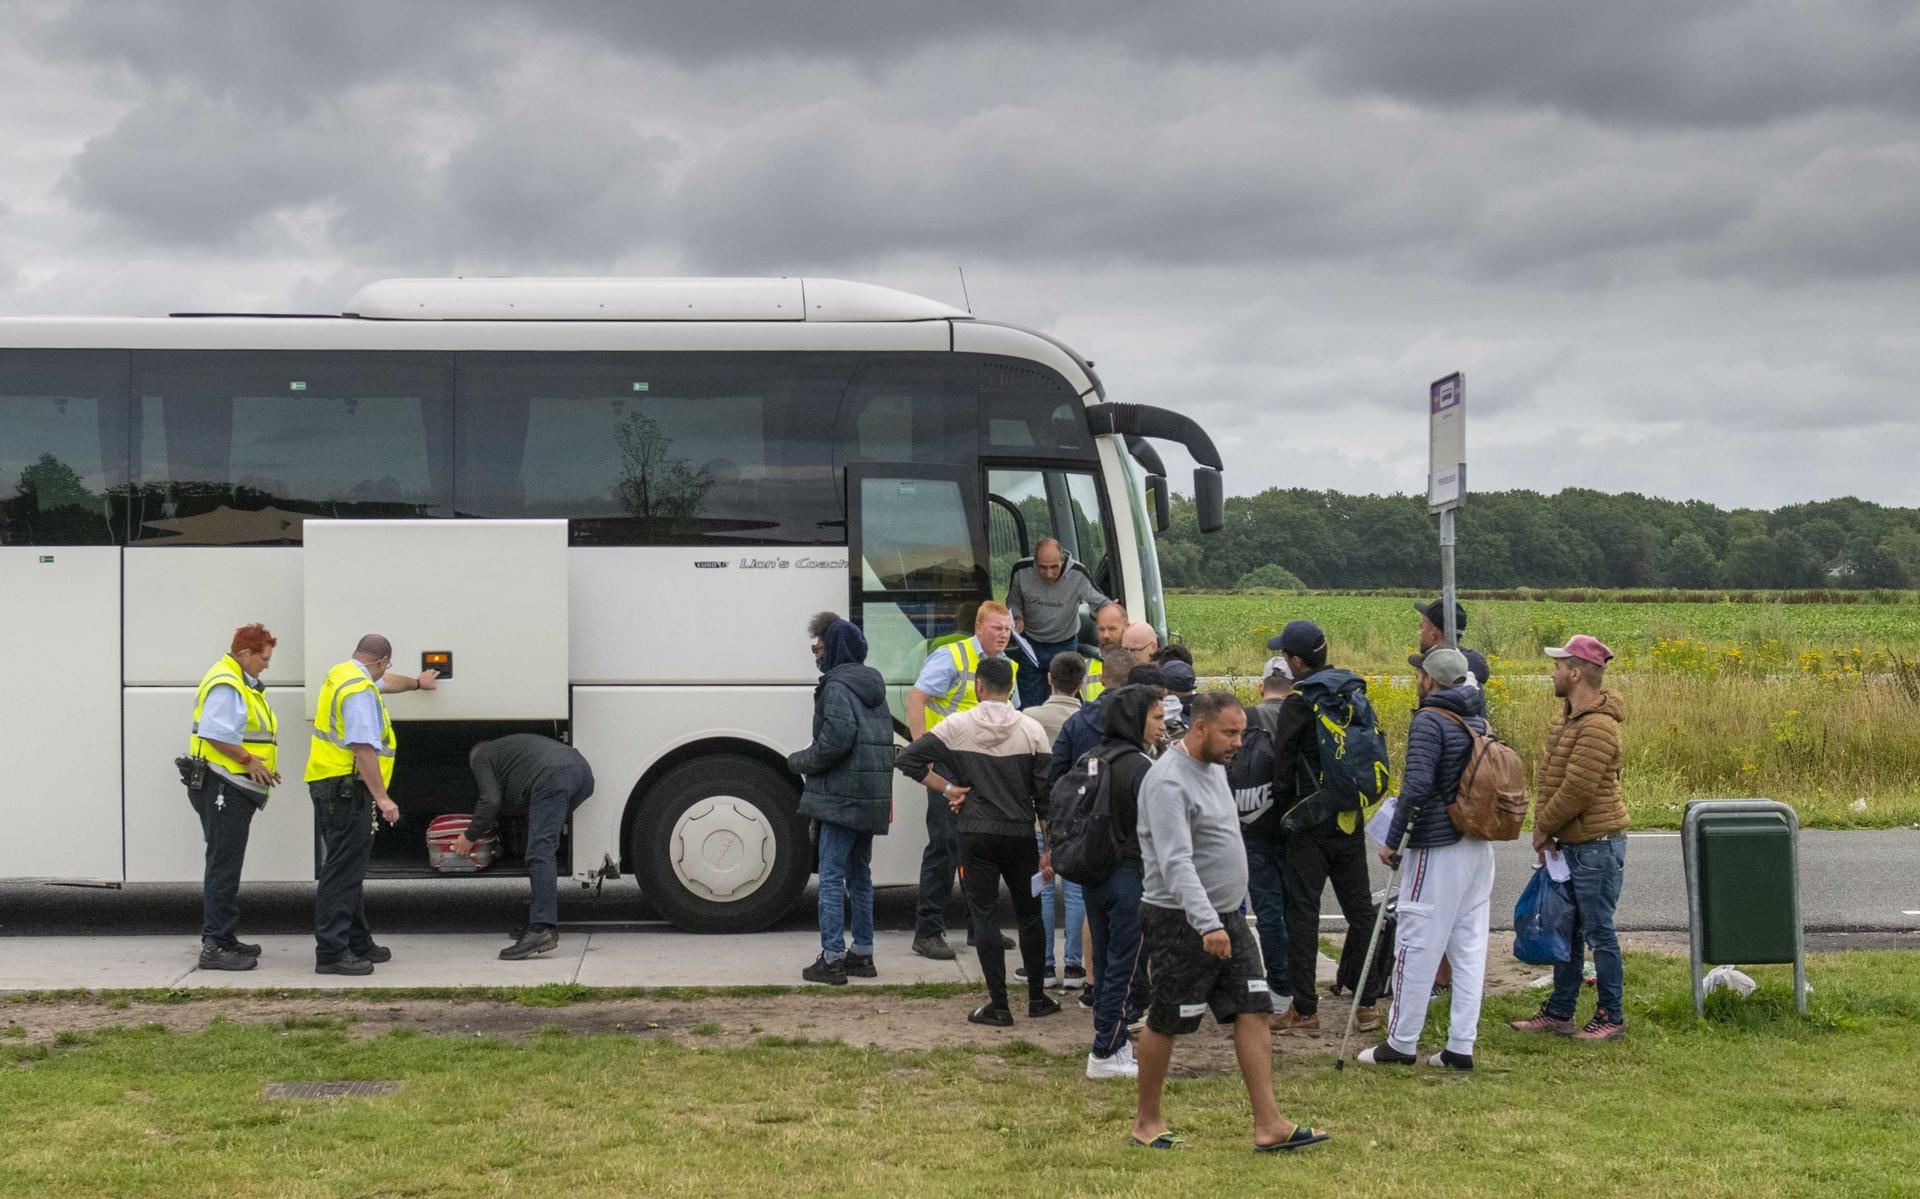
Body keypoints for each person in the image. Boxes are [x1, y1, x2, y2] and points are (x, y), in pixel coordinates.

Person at [1130, 691, 1328, 1153]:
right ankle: (1146, 1122)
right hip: (1182, 919)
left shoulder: (1216, 768)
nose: (1239, 742)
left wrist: (1224, 917)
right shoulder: (1167, 783)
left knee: (1254, 1006)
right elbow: (1175, 862)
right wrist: (1206, 924)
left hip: (1227, 917)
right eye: (1230, 732)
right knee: (1169, 1018)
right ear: (1199, 728)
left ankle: (1269, 1124)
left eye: (1241, 732)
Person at [895, 657, 1060, 1026]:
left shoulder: (957, 725)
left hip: (975, 834)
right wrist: (1048, 847)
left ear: (978, 687)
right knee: (1029, 916)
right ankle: (1036, 997)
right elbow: (1045, 797)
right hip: (1020, 835)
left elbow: (909, 761)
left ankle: (998, 1005)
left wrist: (950, 788)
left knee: (984, 916)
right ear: (1011, 689)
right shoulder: (1031, 730)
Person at [1356, 647, 1495, 1070]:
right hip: (1477, 843)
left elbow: (1416, 788)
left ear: (1431, 681)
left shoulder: (1430, 720)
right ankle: (1460, 1046)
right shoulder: (1479, 718)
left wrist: (1394, 840)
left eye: (1421, 674)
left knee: (1415, 942)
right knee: (1469, 946)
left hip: (1437, 844)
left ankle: (1400, 1043)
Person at [1266, 620, 1386, 1036]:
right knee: (1360, 910)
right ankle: (1368, 1003)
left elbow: (1283, 768)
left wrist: (1285, 817)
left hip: (1309, 821)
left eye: (1286, 656)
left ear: (1298, 661)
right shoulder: (1351, 689)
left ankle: (1305, 1010)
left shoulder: (1300, 702)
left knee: (1302, 913)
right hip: (1349, 817)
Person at [1512, 635, 1630, 1041]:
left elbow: (1577, 790)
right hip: (1574, 842)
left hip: (1597, 844)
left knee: (1599, 932)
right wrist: (1550, 833)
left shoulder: (1598, 726)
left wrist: (1543, 827)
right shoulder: (1567, 719)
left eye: (1559, 666)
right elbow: (1553, 780)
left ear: (1576, 673)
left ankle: (1610, 1016)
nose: (1553, 672)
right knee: (1568, 930)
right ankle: (1561, 1013)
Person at [305, 633, 437, 975]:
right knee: (342, 874)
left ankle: (358, 941)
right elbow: (363, 748)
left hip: (328, 784)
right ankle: (332, 952)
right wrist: (383, 798)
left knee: (348, 870)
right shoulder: (360, 692)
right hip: (346, 790)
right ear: (381, 661)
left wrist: (416, 684)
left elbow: (386, 682)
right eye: (385, 667)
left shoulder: (344, 675)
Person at [907, 601, 1021, 960]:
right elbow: (916, 700)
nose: (1004, 635)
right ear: (978, 627)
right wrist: (924, 753)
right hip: (950, 766)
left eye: (1008, 629)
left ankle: (980, 928)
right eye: (997, 628)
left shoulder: (1007, 667)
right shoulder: (951, 657)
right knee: (945, 847)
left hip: (984, 768)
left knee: (980, 849)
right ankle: (928, 932)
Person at [788, 613, 893, 985]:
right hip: (869, 798)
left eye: (818, 648)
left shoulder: (835, 687)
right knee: (860, 877)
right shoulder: (873, 687)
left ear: (832, 649)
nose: (816, 655)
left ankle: (831, 958)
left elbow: (834, 743)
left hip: (840, 798)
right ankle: (862, 953)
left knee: (831, 877)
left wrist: (797, 761)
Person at [184, 623, 282, 972]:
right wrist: (248, 760)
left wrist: (261, 765)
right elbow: (215, 733)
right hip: (223, 786)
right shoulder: (227, 684)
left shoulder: (237, 681)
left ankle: (225, 938)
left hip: (228, 786)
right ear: (244, 654)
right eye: (263, 658)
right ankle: (215, 946)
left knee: (225, 865)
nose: (266, 665)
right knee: (223, 868)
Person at [1080, 685, 1162, 1079]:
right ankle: (1107, 1049)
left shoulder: (1091, 758)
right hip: (1131, 875)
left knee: (1106, 961)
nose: (1162, 726)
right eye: (1156, 718)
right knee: (1125, 968)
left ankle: (1109, 1041)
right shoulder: (1141, 766)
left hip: (1093, 875)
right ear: (1135, 720)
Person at [457, 734, 597, 961]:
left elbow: (490, 800)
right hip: (582, 774)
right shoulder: (509, 751)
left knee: (540, 851)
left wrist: (469, 836)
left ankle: (541, 929)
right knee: (543, 844)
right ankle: (539, 920)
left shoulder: (481, 757)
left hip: (553, 777)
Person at [1025, 651, 1088, 989]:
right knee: (1076, 892)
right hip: (1077, 819)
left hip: (1038, 818)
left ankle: (1045, 966)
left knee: (1042, 891)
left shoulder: (1029, 716)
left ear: (1048, 678)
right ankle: (1075, 967)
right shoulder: (1090, 720)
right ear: (1081, 684)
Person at [1240, 655, 1294, 1019]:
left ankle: (1279, 984)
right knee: (1297, 909)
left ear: (1262, 687)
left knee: (1268, 910)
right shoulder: (1301, 717)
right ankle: (1298, 982)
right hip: (1295, 824)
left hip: (1254, 823)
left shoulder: (1248, 719)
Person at [1006, 538, 1110, 708]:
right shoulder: (1021, 571)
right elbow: (1013, 601)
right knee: (1030, 701)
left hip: (1065, 643)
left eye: (1054, 567)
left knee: (1063, 700)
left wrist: (1111, 620)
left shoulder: (1078, 574)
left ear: (1063, 560)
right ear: (1034, 561)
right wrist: (1017, 617)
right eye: (1042, 567)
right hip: (1030, 643)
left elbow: (1100, 603)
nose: (1048, 573)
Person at [1048, 649, 1140, 786]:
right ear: (1134, 680)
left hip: (1085, 801)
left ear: (1102, 678)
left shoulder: (1076, 722)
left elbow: (1055, 771)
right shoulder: (1145, 720)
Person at [1083, 601, 1129, 701]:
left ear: (1126, 628)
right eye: (1101, 629)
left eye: (1112, 629)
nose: (1106, 635)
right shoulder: (1084, 669)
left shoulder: (1138, 664)